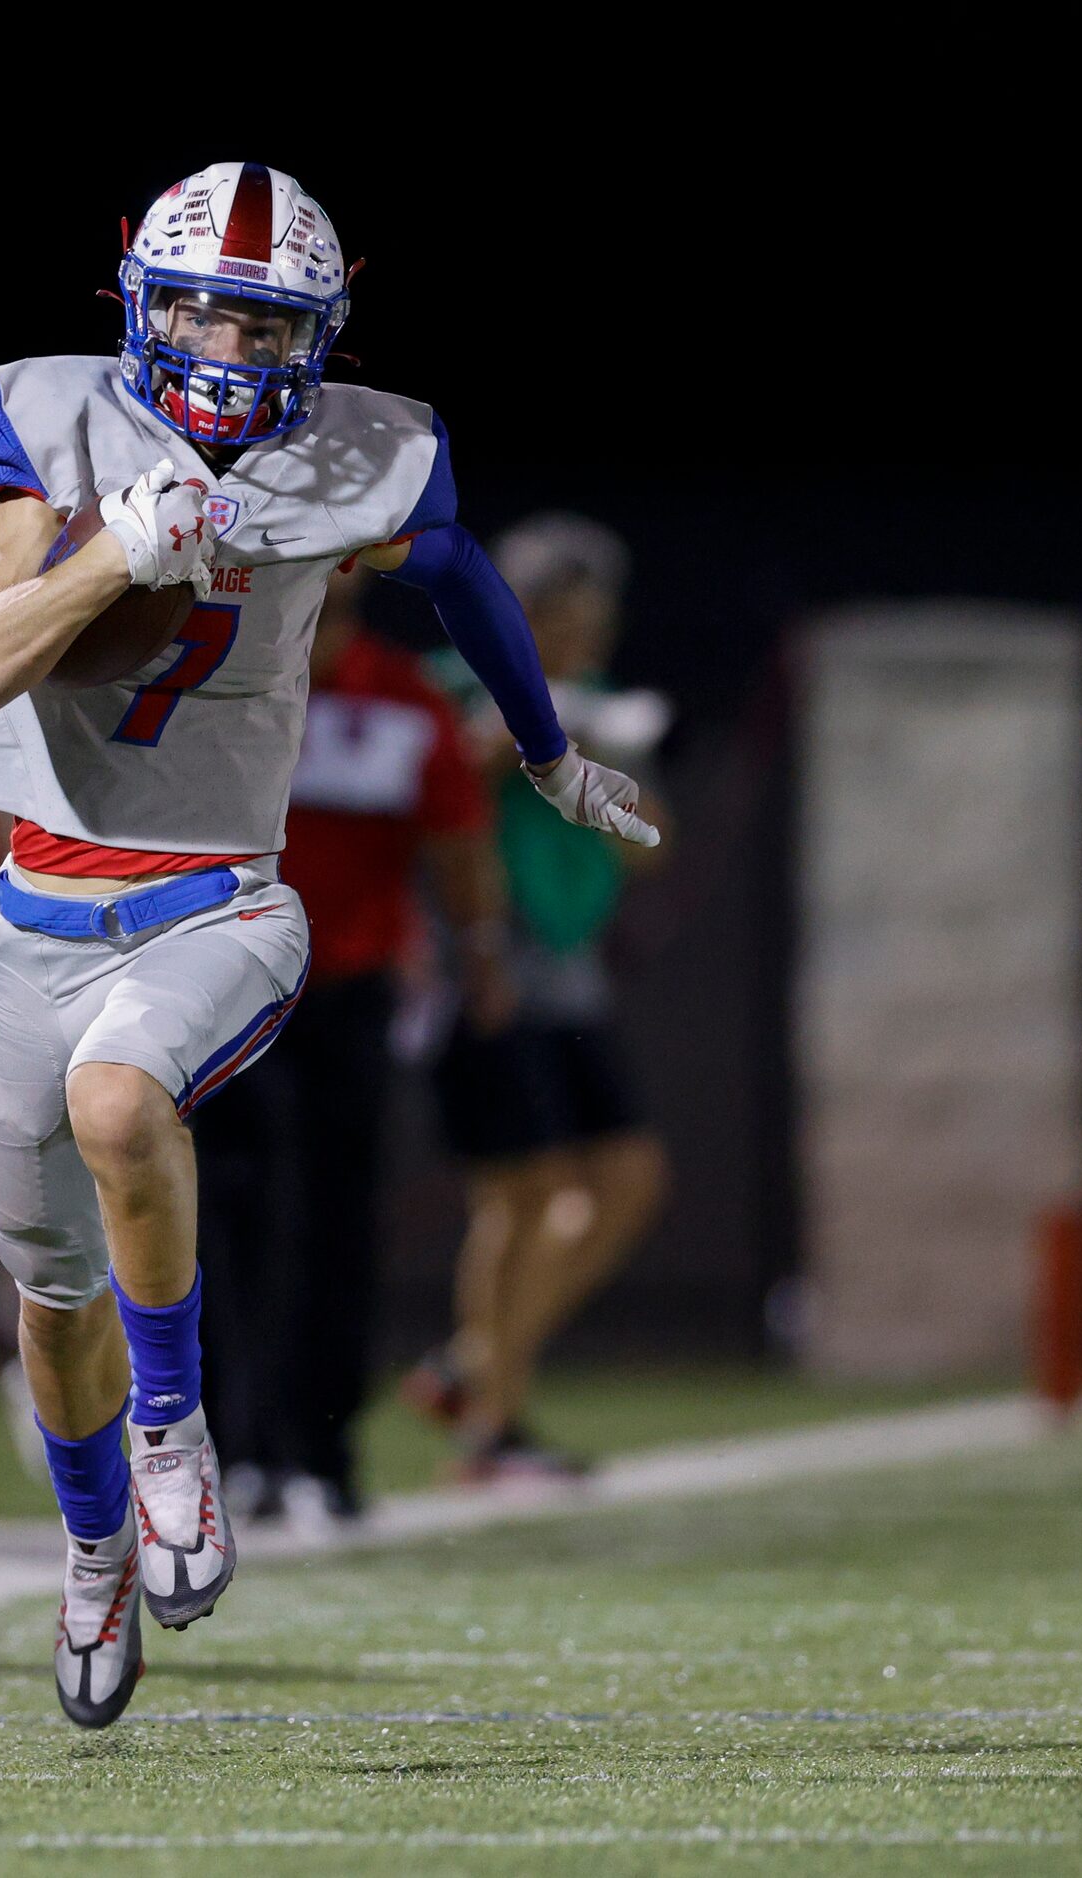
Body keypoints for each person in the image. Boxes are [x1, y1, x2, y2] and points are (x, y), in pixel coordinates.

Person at [0, 161, 658, 1728]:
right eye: (197, 304)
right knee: (53, 1306)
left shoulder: (361, 451)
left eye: (262, 321)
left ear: (314, 334)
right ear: (137, 294)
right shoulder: (42, 420)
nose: (224, 343)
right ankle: (92, 1544)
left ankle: (180, 1433)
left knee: (122, 1101)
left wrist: (543, 752)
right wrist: (114, 551)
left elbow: (459, 574)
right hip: (41, 910)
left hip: (224, 893)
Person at [194, 562, 496, 1531]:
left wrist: (479, 951)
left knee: (335, 1224)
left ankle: (321, 1447)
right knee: (228, 1221)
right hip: (223, 985)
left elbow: (456, 840)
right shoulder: (208, 679)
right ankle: (238, 1448)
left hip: (345, 992)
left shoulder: (400, 699)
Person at [408, 513, 674, 1480]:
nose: (584, 640)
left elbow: (653, 843)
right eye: (564, 619)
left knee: (626, 1178)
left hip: (569, 969)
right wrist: (508, 740)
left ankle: (471, 1365)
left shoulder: (597, 703)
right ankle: (494, 1423)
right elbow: (433, 805)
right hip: (483, 969)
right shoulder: (449, 689)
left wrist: (591, 760)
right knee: (518, 1195)